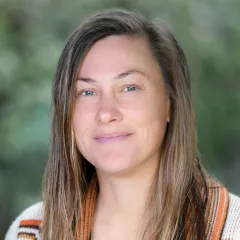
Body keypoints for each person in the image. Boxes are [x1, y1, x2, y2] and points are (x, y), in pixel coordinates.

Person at [5, 8, 240, 240]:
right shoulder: (31, 231)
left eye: (130, 88)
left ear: (170, 102)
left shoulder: (234, 227)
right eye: (87, 92)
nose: (106, 113)